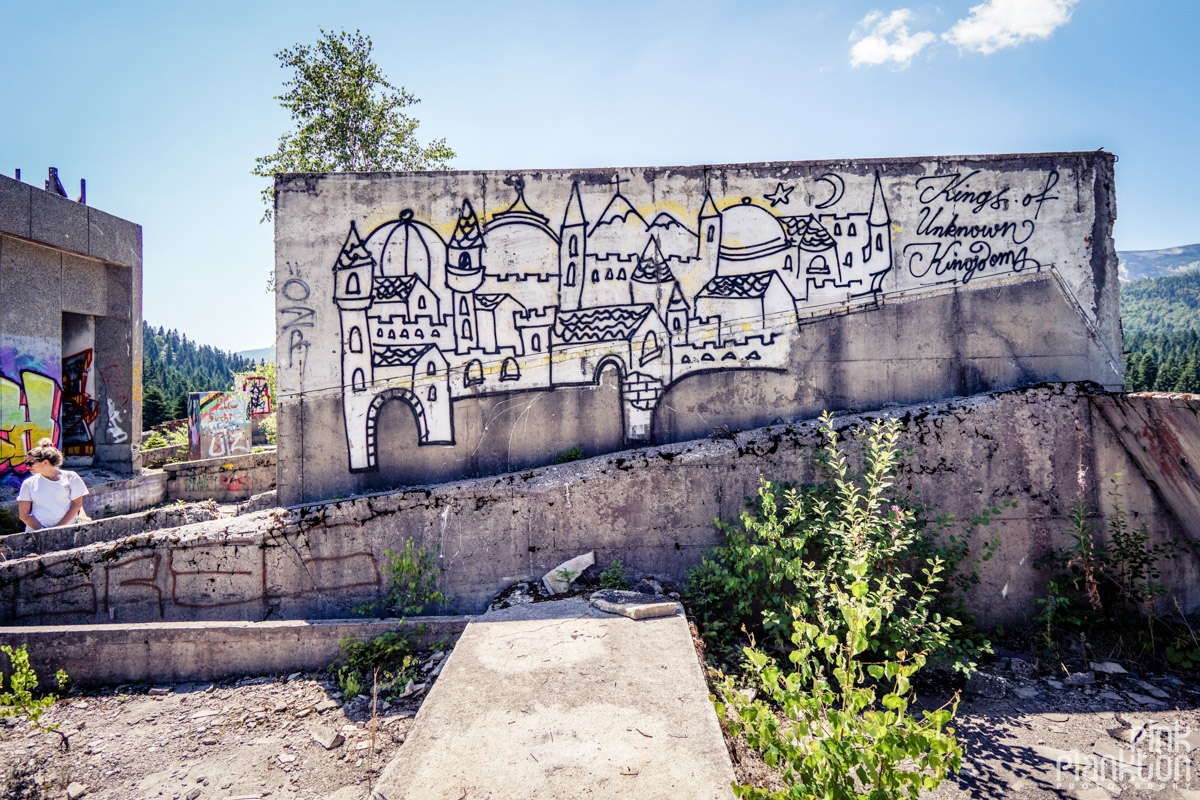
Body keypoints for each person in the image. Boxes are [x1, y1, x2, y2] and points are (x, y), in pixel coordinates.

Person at [16, 439, 89, 531]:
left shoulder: (71, 477)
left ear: (45, 462)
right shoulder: (28, 483)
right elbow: (23, 515)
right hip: (36, 534)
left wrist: (58, 529)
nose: (27, 467)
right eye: (26, 463)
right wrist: (43, 531)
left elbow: (77, 504)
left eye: (31, 463)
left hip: (67, 531)